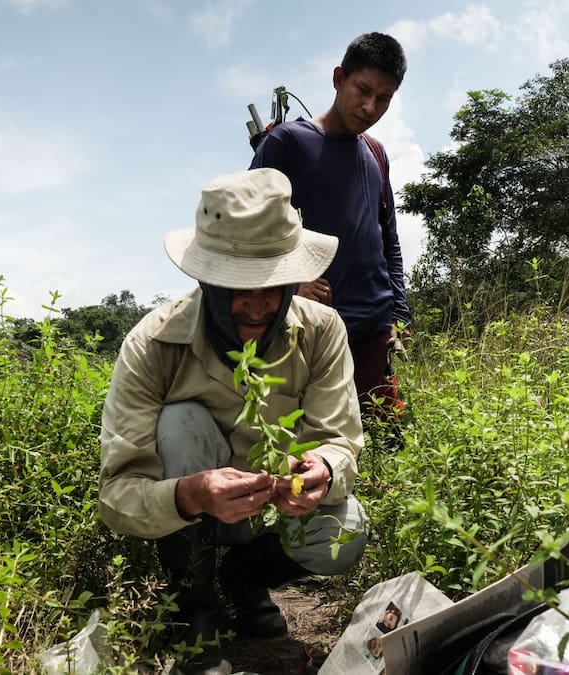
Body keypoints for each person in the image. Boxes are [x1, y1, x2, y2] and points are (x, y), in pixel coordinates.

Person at [98, 168, 369, 675]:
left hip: (271, 514)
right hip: (191, 521)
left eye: (273, 285)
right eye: (237, 287)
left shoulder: (322, 330)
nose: (258, 303)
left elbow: (341, 441)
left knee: (345, 531)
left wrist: (323, 470)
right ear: (204, 280)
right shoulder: (153, 342)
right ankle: (194, 607)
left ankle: (244, 578)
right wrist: (190, 494)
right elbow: (118, 495)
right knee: (181, 422)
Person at [250, 31, 411, 427]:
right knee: (307, 442)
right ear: (339, 78)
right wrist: (290, 287)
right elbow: (249, 231)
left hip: (374, 330)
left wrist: (399, 314)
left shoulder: (375, 152)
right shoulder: (286, 143)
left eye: (384, 98)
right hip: (311, 328)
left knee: (384, 439)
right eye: (363, 89)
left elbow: (387, 237)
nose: (370, 106)